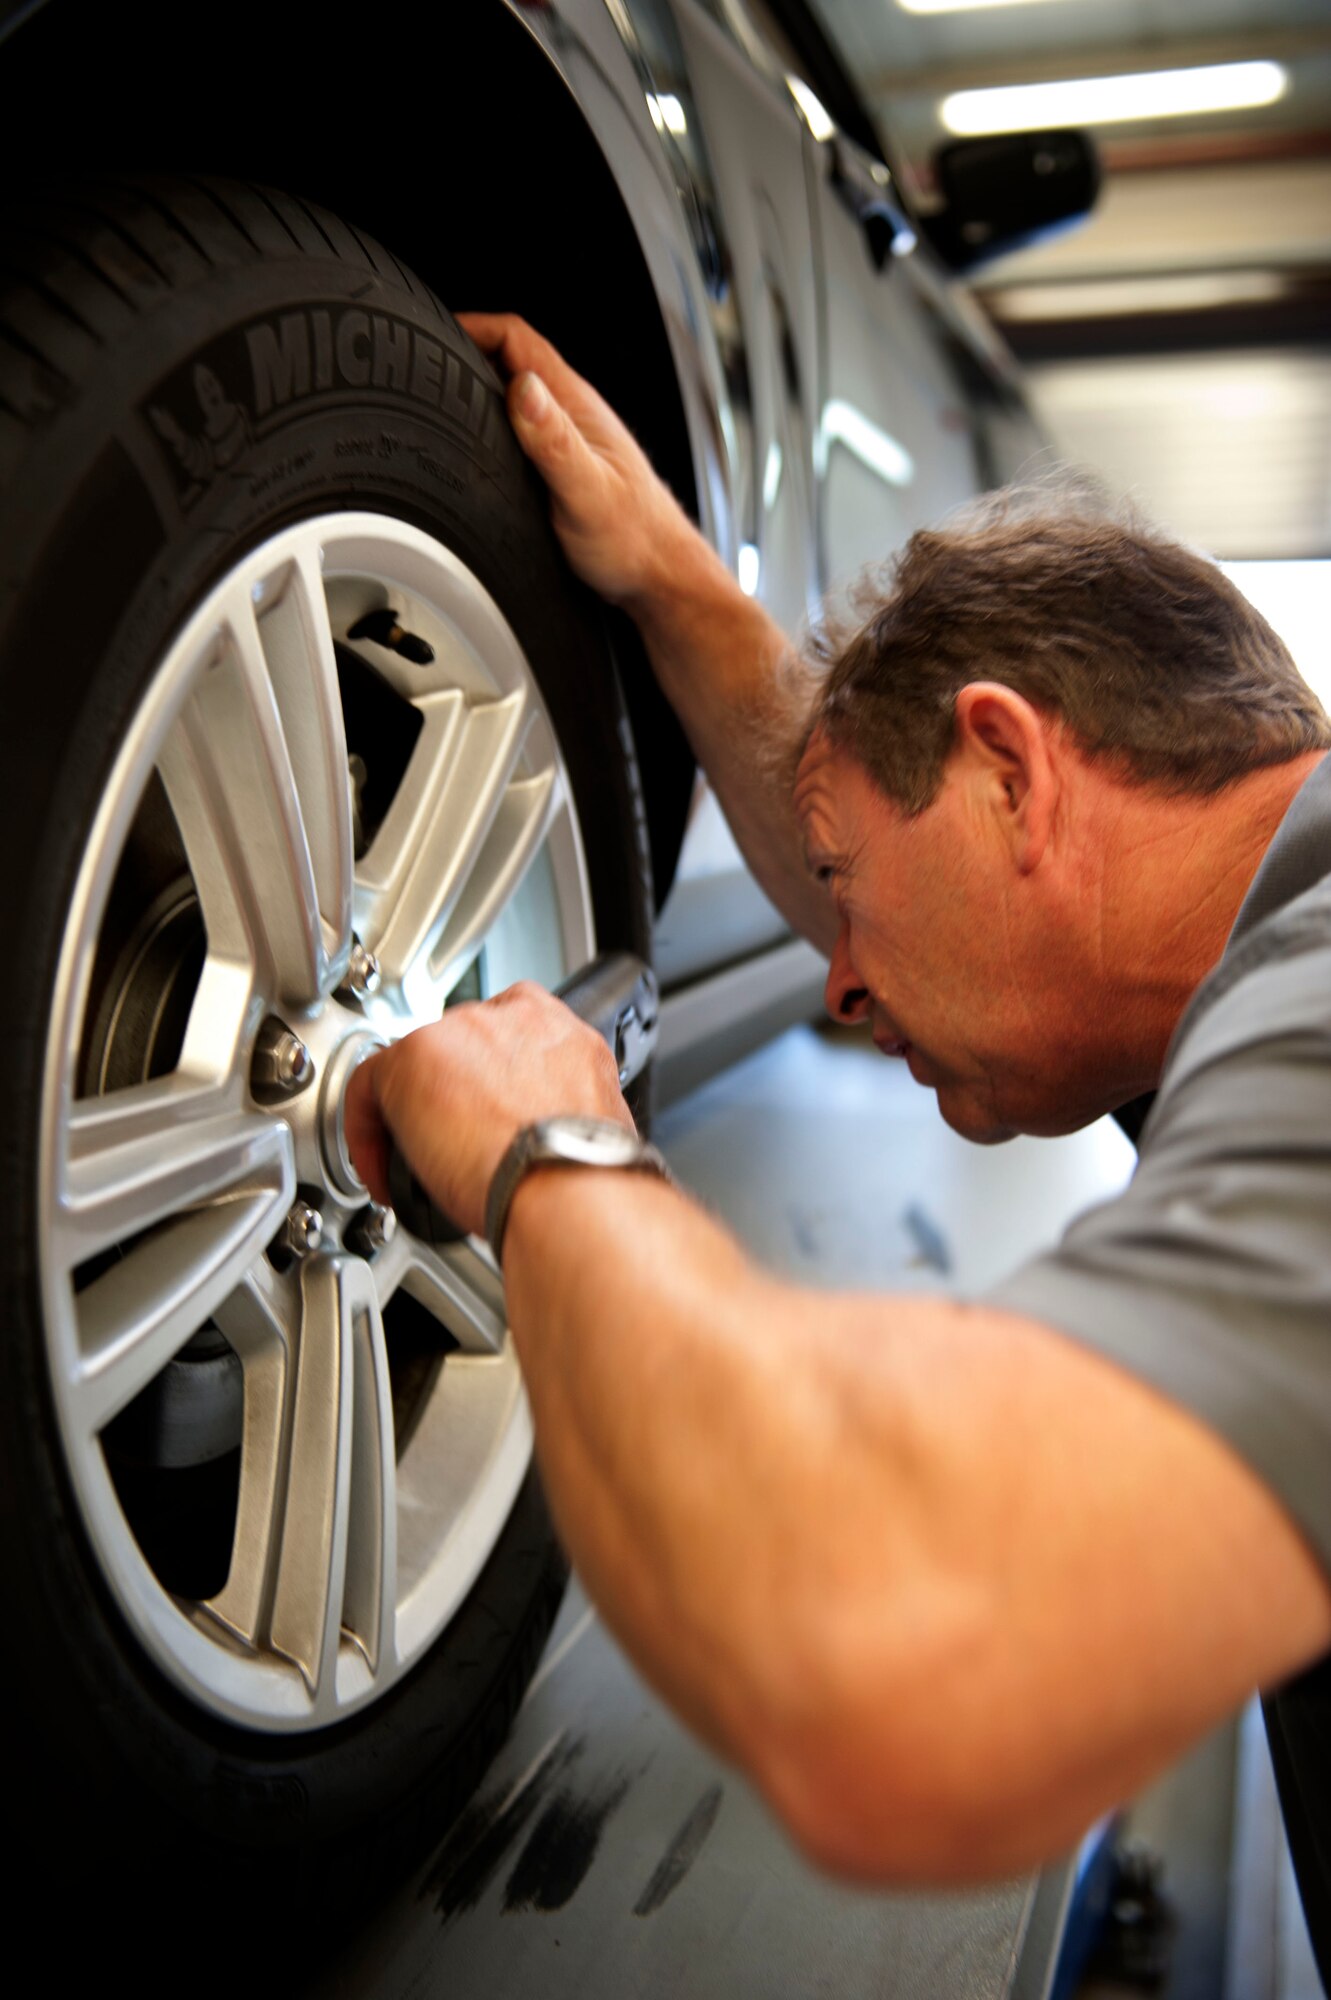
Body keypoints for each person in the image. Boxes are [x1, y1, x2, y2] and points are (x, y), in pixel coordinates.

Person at [344, 317, 1331, 1955]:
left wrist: (551, 1155)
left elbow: (906, 1658)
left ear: (1012, 766)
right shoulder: (1223, 948)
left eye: (846, 895)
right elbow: (895, 876)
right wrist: (680, 590)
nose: (844, 982)